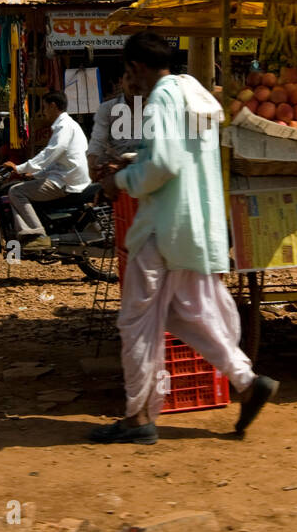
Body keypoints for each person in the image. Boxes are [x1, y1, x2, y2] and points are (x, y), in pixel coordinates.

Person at [95, 31, 279, 445]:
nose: (130, 83)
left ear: (137, 68)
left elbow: (164, 162)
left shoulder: (160, 97)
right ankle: (247, 382)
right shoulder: (195, 94)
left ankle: (138, 417)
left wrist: (121, 180)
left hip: (162, 227)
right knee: (188, 314)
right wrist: (135, 160)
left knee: (136, 321)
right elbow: (181, 154)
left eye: (129, 73)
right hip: (196, 227)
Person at [3, 91, 91, 249]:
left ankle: (39, 235)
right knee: (19, 189)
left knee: (15, 192)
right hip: (67, 177)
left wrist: (19, 168)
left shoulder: (64, 126)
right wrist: (34, 174)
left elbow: (49, 154)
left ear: (53, 106)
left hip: (66, 181)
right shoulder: (67, 125)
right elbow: (55, 161)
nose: (42, 112)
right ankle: (26, 239)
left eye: (44, 107)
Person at [87, 74, 140, 175]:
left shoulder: (156, 108)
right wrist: (92, 164)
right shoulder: (107, 108)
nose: (134, 83)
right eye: (129, 78)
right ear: (121, 82)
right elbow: (98, 141)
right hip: (115, 169)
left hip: (145, 169)